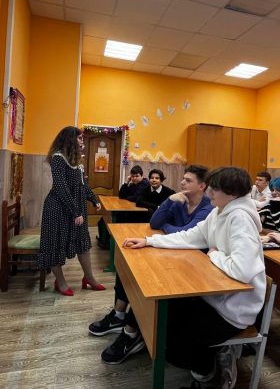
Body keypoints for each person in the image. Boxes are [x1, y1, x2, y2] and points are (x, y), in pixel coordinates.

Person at [120, 167, 266, 386]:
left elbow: (242, 270)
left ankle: (207, 370)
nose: (209, 192)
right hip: (214, 298)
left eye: (215, 189)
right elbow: (191, 236)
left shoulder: (240, 218)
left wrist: (214, 255)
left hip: (233, 311)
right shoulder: (219, 211)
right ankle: (207, 359)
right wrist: (150, 241)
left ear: (232, 194)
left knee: (171, 338)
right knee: (164, 316)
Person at [89, 165, 214, 362]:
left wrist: (167, 227)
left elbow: (188, 234)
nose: (182, 182)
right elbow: (155, 223)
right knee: (130, 266)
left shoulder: (208, 208)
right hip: (173, 252)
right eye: (183, 179)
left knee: (147, 282)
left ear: (202, 186)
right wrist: (168, 201)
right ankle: (118, 315)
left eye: (188, 180)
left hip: (193, 265)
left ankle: (132, 333)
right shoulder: (179, 200)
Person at [37, 126, 105, 296]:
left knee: (83, 243)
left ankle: (89, 278)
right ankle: (60, 282)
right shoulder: (58, 159)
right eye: (80, 138)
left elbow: (83, 185)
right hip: (57, 209)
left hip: (74, 209)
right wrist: (76, 212)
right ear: (70, 140)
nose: (82, 141)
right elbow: (61, 187)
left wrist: (94, 199)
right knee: (55, 245)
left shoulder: (76, 162)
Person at [96, 165, 150, 248]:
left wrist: (127, 197)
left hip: (139, 214)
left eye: (137, 176)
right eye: (132, 176)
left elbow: (135, 198)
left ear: (142, 176)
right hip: (130, 210)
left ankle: (108, 243)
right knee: (103, 219)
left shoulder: (144, 184)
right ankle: (104, 241)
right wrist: (126, 182)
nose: (134, 178)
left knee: (112, 220)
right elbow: (121, 195)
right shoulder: (133, 184)